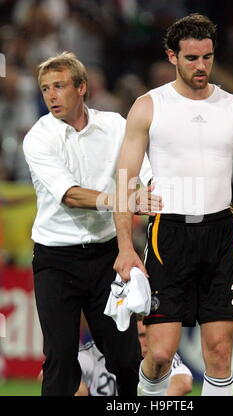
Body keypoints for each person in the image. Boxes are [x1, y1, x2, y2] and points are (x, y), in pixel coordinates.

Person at [113, 13, 233, 396]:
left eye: (207, 57)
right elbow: (124, 179)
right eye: (191, 58)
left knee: (220, 352)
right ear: (172, 56)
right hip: (166, 234)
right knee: (159, 353)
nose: (201, 66)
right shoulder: (148, 106)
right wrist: (124, 247)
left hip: (221, 234)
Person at [23, 52, 162, 396]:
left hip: (106, 257)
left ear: (82, 87)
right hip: (56, 262)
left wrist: (159, 198)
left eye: (59, 86)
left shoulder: (115, 126)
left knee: (127, 357)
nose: (51, 95)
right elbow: (70, 195)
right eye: (45, 89)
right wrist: (128, 201)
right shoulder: (38, 138)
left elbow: (147, 177)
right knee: (59, 358)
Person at [75, 318, 193, 396]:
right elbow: (69, 382)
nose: (148, 342)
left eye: (149, 336)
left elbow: (183, 383)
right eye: (141, 336)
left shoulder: (159, 355)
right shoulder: (93, 353)